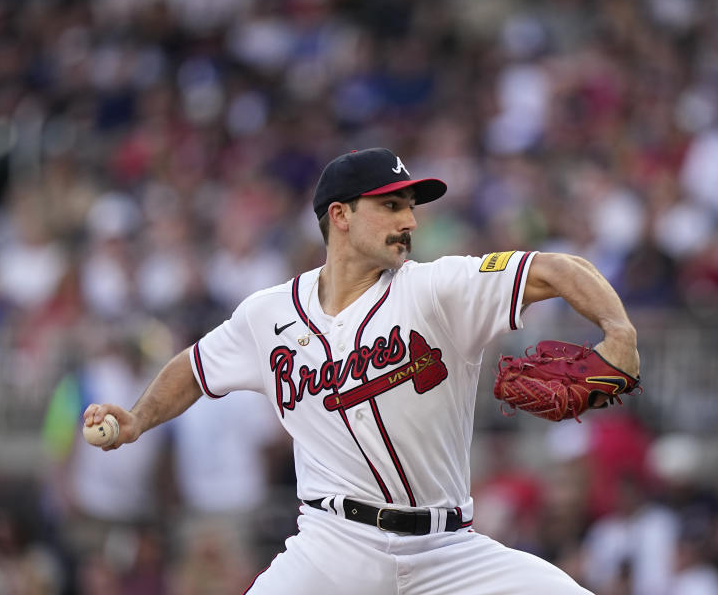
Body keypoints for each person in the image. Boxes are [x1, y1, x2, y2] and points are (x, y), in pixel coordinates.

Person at [84, 147, 640, 594]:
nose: (410, 220)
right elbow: (195, 368)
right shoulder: (268, 314)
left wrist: (619, 333)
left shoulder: (435, 288)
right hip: (331, 549)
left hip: (448, 555)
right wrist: (136, 418)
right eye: (391, 206)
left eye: (410, 206)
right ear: (341, 215)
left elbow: (558, 269)